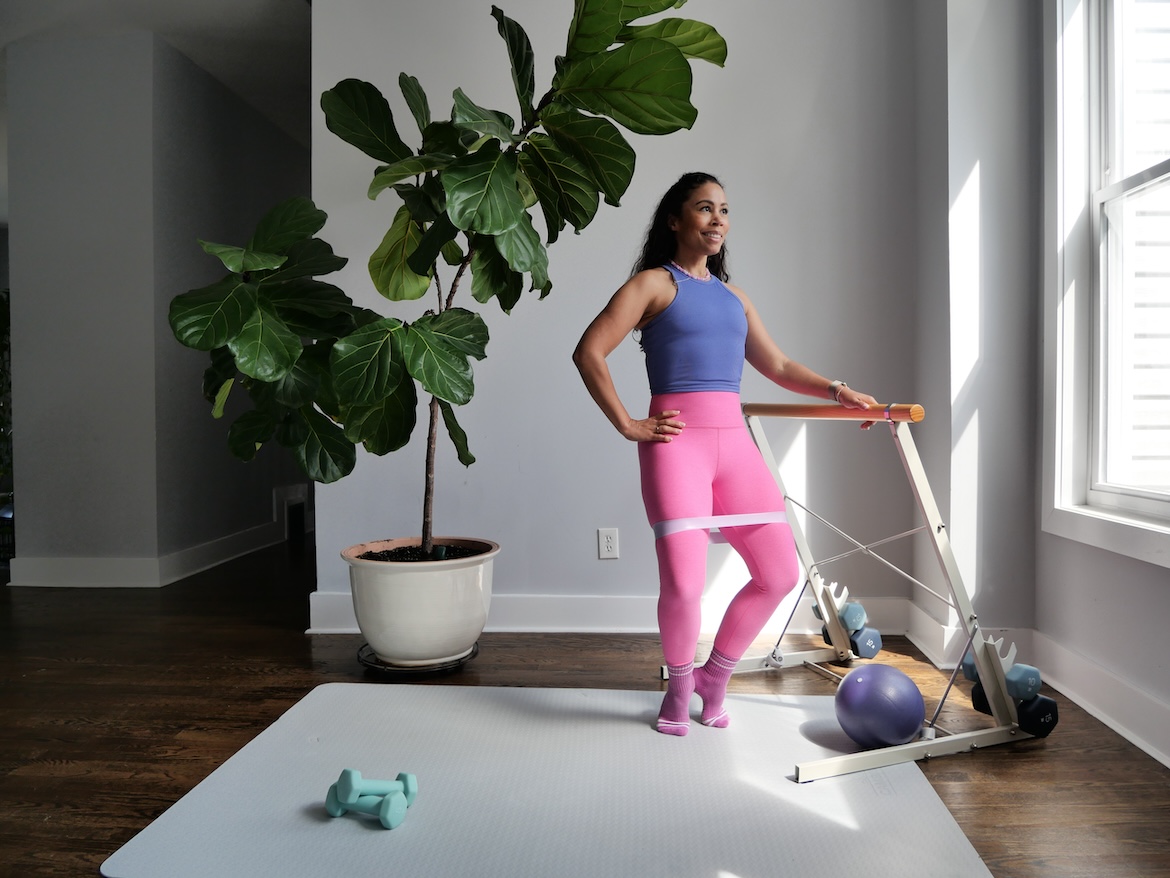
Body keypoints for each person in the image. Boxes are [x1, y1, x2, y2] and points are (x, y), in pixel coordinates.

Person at [573, 172, 878, 736]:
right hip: (677, 449)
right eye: (704, 208)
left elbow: (780, 367)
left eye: (724, 211)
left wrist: (839, 391)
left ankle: (716, 676)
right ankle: (679, 684)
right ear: (675, 219)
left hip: (734, 448)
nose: (718, 220)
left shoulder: (734, 298)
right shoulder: (652, 285)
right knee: (686, 585)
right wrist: (628, 424)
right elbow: (589, 351)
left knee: (780, 573)